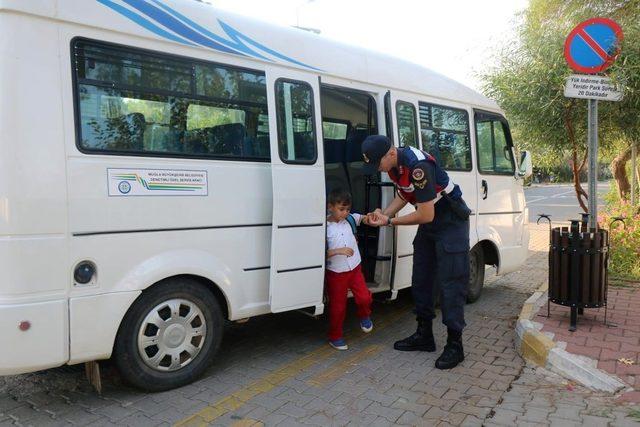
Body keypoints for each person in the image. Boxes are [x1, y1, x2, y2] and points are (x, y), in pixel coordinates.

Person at [361, 135, 470, 369]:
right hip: (430, 222)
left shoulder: (418, 167)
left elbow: (426, 215)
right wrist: (386, 214)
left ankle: (455, 345)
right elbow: (404, 193)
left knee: (451, 282)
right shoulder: (394, 166)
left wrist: (389, 223)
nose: (376, 168)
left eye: (376, 163)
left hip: (449, 220)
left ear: (390, 153)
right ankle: (424, 335)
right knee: (421, 278)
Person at [325, 188, 374, 350]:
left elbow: (365, 219)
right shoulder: (323, 227)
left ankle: (364, 315)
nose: (345, 213)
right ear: (330, 206)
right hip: (336, 273)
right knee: (338, 307)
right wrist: (338, 251)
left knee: (364, 298)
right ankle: (335, 336)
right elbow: (319, 254)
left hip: (354, 267)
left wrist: (372, 216)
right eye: (341, 209)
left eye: (347, 209)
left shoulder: (351, 219)